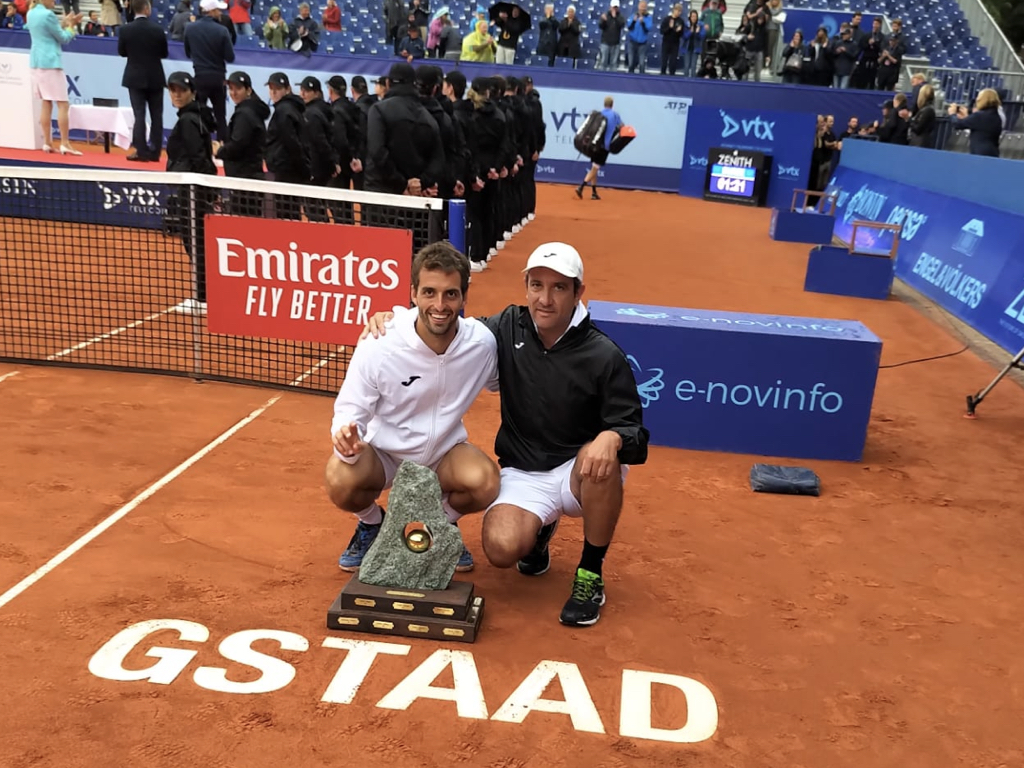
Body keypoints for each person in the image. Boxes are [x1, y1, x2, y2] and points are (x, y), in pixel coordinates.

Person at [363, 242, 649, 626]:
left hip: (578, 474)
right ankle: (541, 529)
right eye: (536, 285)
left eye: (559, 288)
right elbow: (447, 324)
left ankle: (590, 574)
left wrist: (612, 438)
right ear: (526, 286)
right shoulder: (506, 327)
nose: (545, 299)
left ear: (578, 292)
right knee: (500, 550)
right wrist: (394, 318)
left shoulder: (603, 354)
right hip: (525, 472)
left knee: (603, 459)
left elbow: (634, 431)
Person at [327, 242, 499, 573]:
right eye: (429, 292)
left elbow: (505, 382)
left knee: (485, 481)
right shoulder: (379, 343)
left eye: (450, 294)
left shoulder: (481, 344)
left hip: (444, 455)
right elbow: (350, 409)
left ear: (464, 296)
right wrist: (345, 438)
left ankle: (438, 525)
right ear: (413, 294)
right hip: (385, 456)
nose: (439, 305)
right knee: (339, 478)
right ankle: (373, 523)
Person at [165, 70, 216, 316]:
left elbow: (199, 156)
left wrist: (205, 187)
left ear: (192, 93)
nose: (176, 94)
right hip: (194, 185)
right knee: (195, 240)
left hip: (193, 188)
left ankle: (203, 297)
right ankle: (204, 294)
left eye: (181, 90)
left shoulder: (188, 120)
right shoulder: (193, 117)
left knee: (195, 241)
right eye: (172, 90)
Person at [26, 0, 82, 155]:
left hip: (36, 62)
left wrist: (64, 23)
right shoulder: (48, 14)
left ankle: (47, 143)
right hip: (50, 62)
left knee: (46, 101)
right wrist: (71, 26)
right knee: (63, 104)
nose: (54, 1)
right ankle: (65, 143)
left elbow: (50, 33)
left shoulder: (31, 13)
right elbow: (63, 38)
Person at [118, 0, 167, 162]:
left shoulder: (125, 30)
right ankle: (155, 152)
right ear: (146, 9)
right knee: (157, 116)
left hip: (135, 76)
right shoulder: (158, 30)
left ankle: (141, 151)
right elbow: (164, 53)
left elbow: (122, 52)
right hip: (155, 76)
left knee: (139, 114)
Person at [215, 71, 268, 216]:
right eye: (231, 89)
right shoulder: (249, 110)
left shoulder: (245, 114)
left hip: (244, 180)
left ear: (248, 90)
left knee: (245, 225)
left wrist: (219, 151)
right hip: (247, 177)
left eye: (238, 88)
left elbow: (238, 144)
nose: (233, 92)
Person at [183, 0, 235, 140]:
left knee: (197, 113)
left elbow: (188, 53)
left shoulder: (190, 28)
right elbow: (230, 57)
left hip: (200, 76)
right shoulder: (222, 30)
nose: (220, 13)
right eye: (218, 10)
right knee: (220, 115)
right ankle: (221, 147)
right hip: (218, 77)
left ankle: (198, 145)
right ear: (211, 11)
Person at [575, 96, 621, 201]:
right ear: (612, 104)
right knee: (595, 168)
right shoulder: (615, 115)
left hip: (594, 145)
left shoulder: (599, 114)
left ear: (604, 104)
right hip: (604, 147)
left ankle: (594, 192)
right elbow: (622, 126)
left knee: (594, 167)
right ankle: (581, 186)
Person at [948, 88, 1003, 158]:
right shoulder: (996, 117)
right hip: (993, 153)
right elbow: (979, 125)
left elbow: (957, 124)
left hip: (979, 154)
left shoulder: (979, 116)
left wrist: (952, 114)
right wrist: (967, 116)